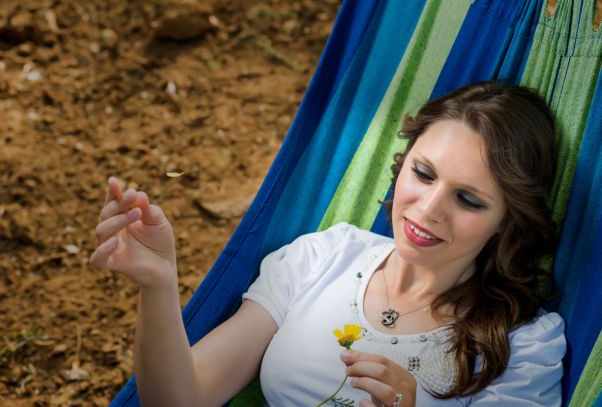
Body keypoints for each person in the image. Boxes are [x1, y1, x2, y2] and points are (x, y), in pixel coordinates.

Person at [89, 81, 566, 406]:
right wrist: (159, 282)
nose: (428, 209)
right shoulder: (324, 257)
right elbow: (181, 398)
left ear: (507, 220)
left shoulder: (523, 346)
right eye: (423, 173)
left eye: (468, 199)